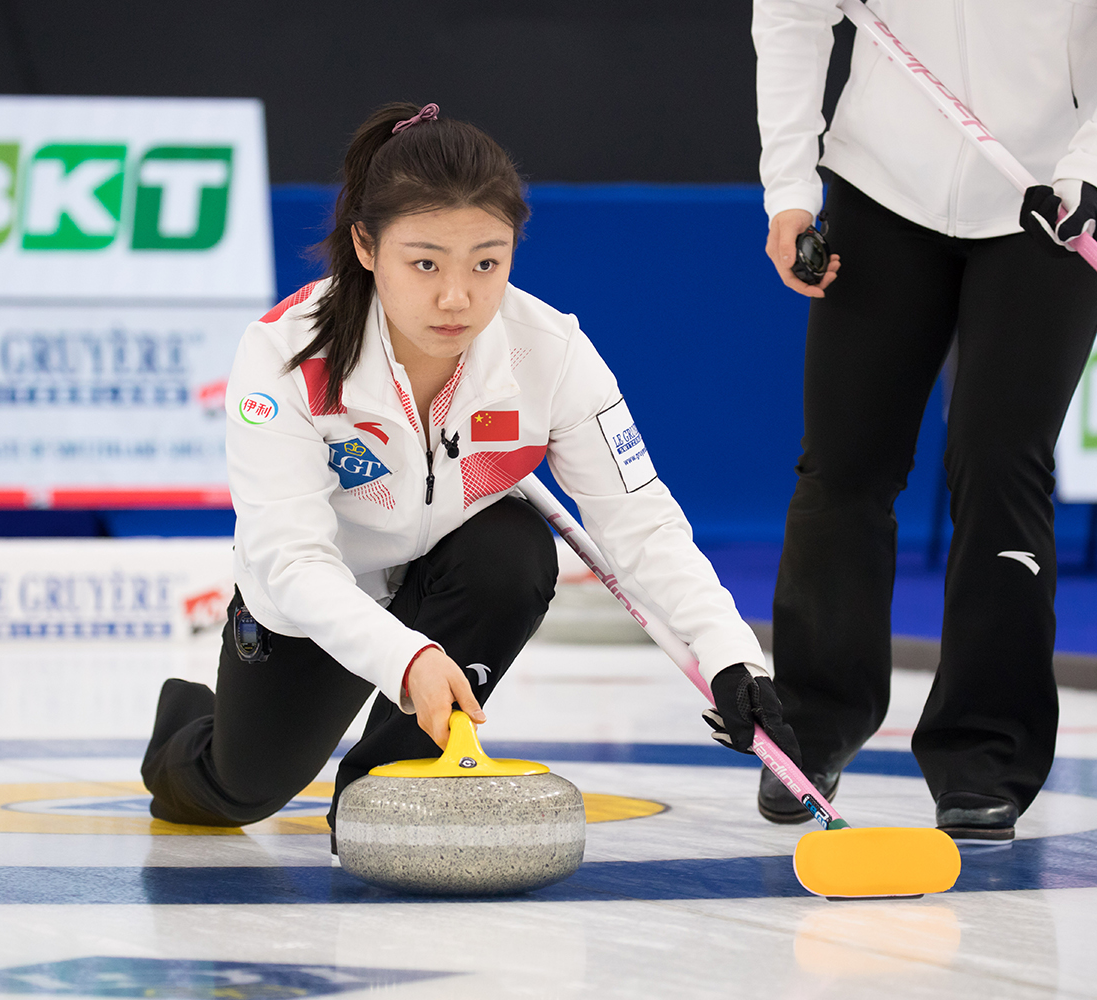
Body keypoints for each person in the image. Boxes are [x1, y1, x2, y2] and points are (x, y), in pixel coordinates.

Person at [142, 102, 800, 844]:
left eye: (487, 262)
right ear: (366, 245)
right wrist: (407, 653)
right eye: (425, 263)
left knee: (515, 547)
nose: (458, 297)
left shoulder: (551, 354)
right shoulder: (282, 357)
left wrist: (732, 658)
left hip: (456, 576)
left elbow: (639, 520)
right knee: (235, 792)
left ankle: (379, 805)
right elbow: (290, 558)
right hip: (321, 598)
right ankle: (186, 728)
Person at [753, 0, 1097, 840]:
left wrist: (1095, 165)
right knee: (845, 466)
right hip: (883, 183)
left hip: (1058, 196)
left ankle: (984, 753)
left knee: (1000, 464)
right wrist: (788, 188)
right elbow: (793, 15)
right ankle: (812, 728)